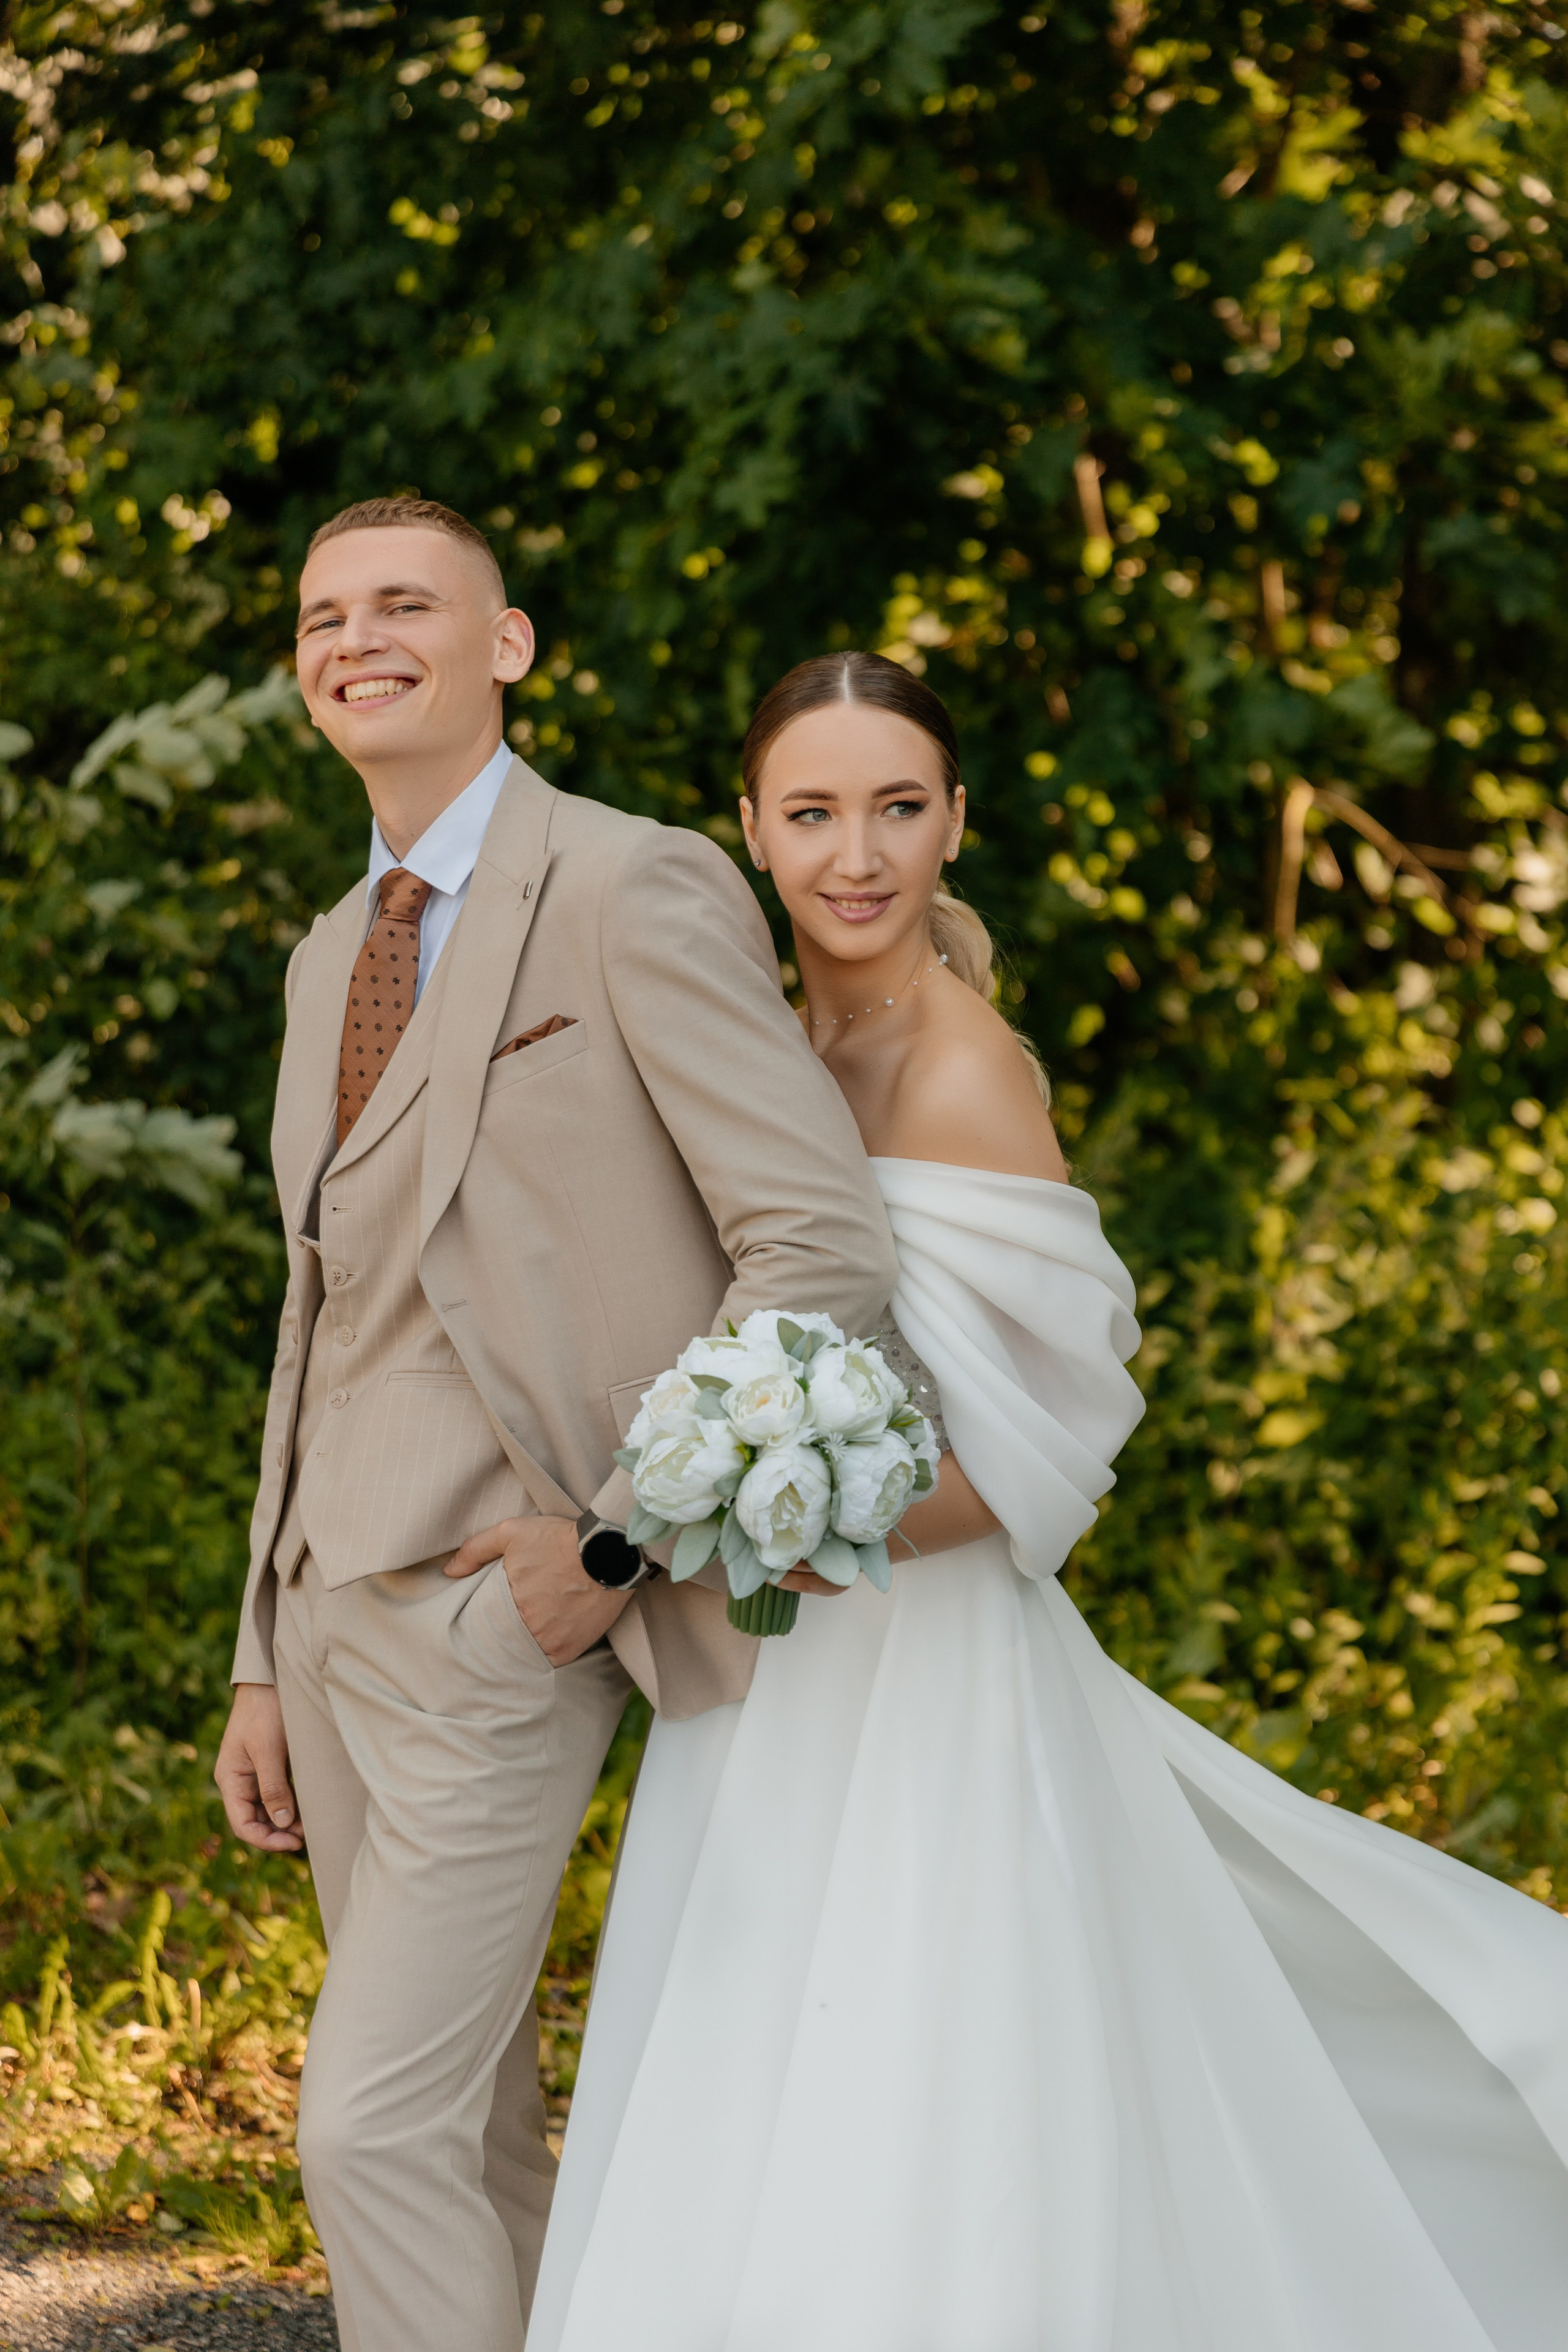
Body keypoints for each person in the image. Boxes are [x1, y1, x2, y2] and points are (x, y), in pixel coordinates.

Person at [530, 651, 1568, 2352]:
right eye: (813, 813)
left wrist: (776, 1508)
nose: (856, 855)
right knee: (747, 2042)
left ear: (956, 823)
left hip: (920, 1659)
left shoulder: (964, 1069)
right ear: (751, 831)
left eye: (897, 808)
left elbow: (1043, 1446)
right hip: (766, 1662)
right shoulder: (765, 1039)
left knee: (923, 2060)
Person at [211, 506, 897, 2352]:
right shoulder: (326, 953)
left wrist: (617, 1540)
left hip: (502, 1611)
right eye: (324, 617)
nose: (356, 640)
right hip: (328, 1618)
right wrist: (261, 1651)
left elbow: (817, 1247)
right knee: (471, 2141)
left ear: (506, 645)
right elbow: (317, 1309)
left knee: (366, 2133)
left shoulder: (629, 883)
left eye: (404, 606)